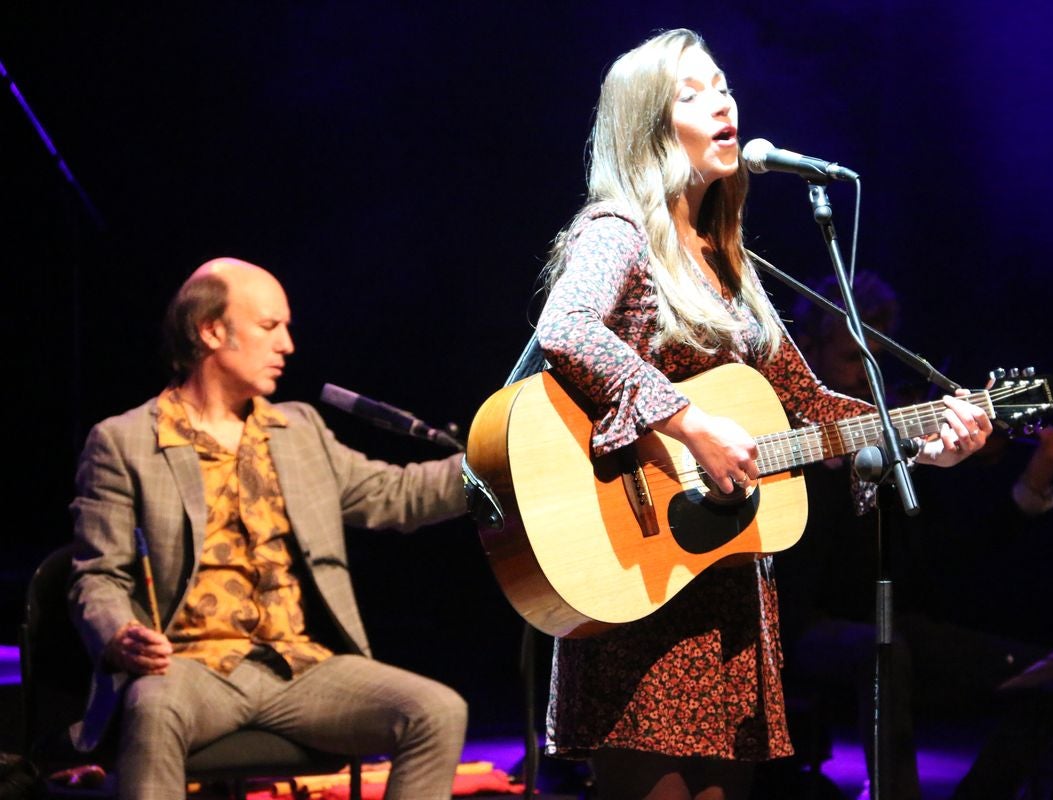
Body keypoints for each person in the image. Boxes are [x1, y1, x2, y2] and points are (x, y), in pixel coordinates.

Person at [533, 30, 990, 800]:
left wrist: (920, 438)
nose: (723, 102)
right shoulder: (617, 231)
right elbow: (566, 328)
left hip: (727, 590)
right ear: (646, 125)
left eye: (724, 87)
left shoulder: (728, 262)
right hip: (638, 567)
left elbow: (810, 410)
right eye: (692, 93)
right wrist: (689, 421)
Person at [67, 258, 469, 800]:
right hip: (190, 666)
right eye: (268, 326)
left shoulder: (297, 430)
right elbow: (98, 577)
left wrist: (494, 461)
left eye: (286, 327)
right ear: (211, 330)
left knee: (435, 711)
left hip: (297, 666)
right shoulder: (124, 442)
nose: (287, 345)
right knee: (152, 706)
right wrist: (119, 634)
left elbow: (396, 495)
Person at [776, 271, 1053, 800]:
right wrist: (828, 461)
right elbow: (803, 564)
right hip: (797, 623)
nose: (861, 381)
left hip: (892, 618)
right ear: (810, 346)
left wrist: (1026, 483)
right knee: (883, 648)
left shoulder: (893, 424)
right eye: (850, 359)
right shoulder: (769, 418)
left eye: (871, 364)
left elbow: (947, 554)